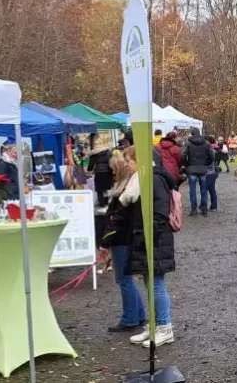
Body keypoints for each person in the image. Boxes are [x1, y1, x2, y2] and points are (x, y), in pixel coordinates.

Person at [115, 147, 177, 347]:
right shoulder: (141, 180)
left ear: (137, 160)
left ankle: (165, 328)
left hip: (155, 240)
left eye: (129, 161)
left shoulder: (154, 179)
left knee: (156, 285)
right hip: (146, 239)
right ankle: (155, 325)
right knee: (150, 284)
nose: (127, 165)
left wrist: (146, 238)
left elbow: (160, 212)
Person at [100, 154, 147, 333]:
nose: (111, 171)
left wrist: (105, 242)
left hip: (122, 239)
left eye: (114, 168)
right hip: (126, 238)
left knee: (124, 279)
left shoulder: (124, 192)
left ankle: (130, 318)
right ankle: (139, 314)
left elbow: (116, 220)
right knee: (126, 278)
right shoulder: (127, 188)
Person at [181, 127, 215, 216]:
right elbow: (212, 157)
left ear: (192, 134)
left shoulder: (188, 143)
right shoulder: (207, 143)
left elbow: (183, 156)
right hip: (203, 169)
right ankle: (204, 209)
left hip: (191, 169)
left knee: (192, 191)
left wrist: (187, 164)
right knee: (203, 190)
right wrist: (206, 164)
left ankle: (194, 209)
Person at [88, 134, 114, 207]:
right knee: (105, 189)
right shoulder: (108, 152)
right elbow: (111, 160)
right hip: (108, 172)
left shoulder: (94, 153)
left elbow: (91, 164)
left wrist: (89, 170)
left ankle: (102, 204)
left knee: (99, 190)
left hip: (99, 172)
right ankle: (106, 202)